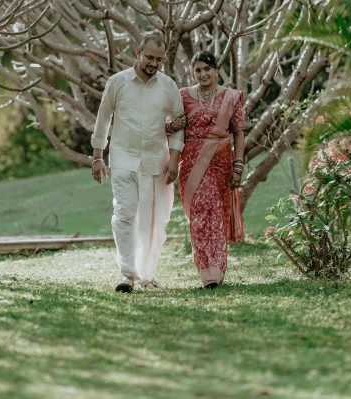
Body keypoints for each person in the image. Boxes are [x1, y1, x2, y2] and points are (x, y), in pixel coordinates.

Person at [90, 31, 185, 293]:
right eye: (150, 57)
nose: (154, 63)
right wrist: (97, 156)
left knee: (155, 221)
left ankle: (147, 274)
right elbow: (103, 120)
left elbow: (179, 126)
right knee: (124, 214)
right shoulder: (117, 82)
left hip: (157, 161)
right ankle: (127, 274)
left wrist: (174, 159)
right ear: (137, 52)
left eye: (160, 59)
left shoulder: (168, 86)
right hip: (123, 159)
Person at [178, 51, 245, 288]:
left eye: (207, 69)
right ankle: (205, 270)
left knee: (217, 214)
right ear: (193, 72)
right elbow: (172, 126)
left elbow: (238, 131)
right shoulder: (183, 96)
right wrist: (171, 126)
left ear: (216, 70)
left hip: (222, 163)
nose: (203, 74)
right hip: (192, 163)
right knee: (199, 215)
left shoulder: (232, 97)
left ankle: (216, 271)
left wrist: (238, 165)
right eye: (198, 70)